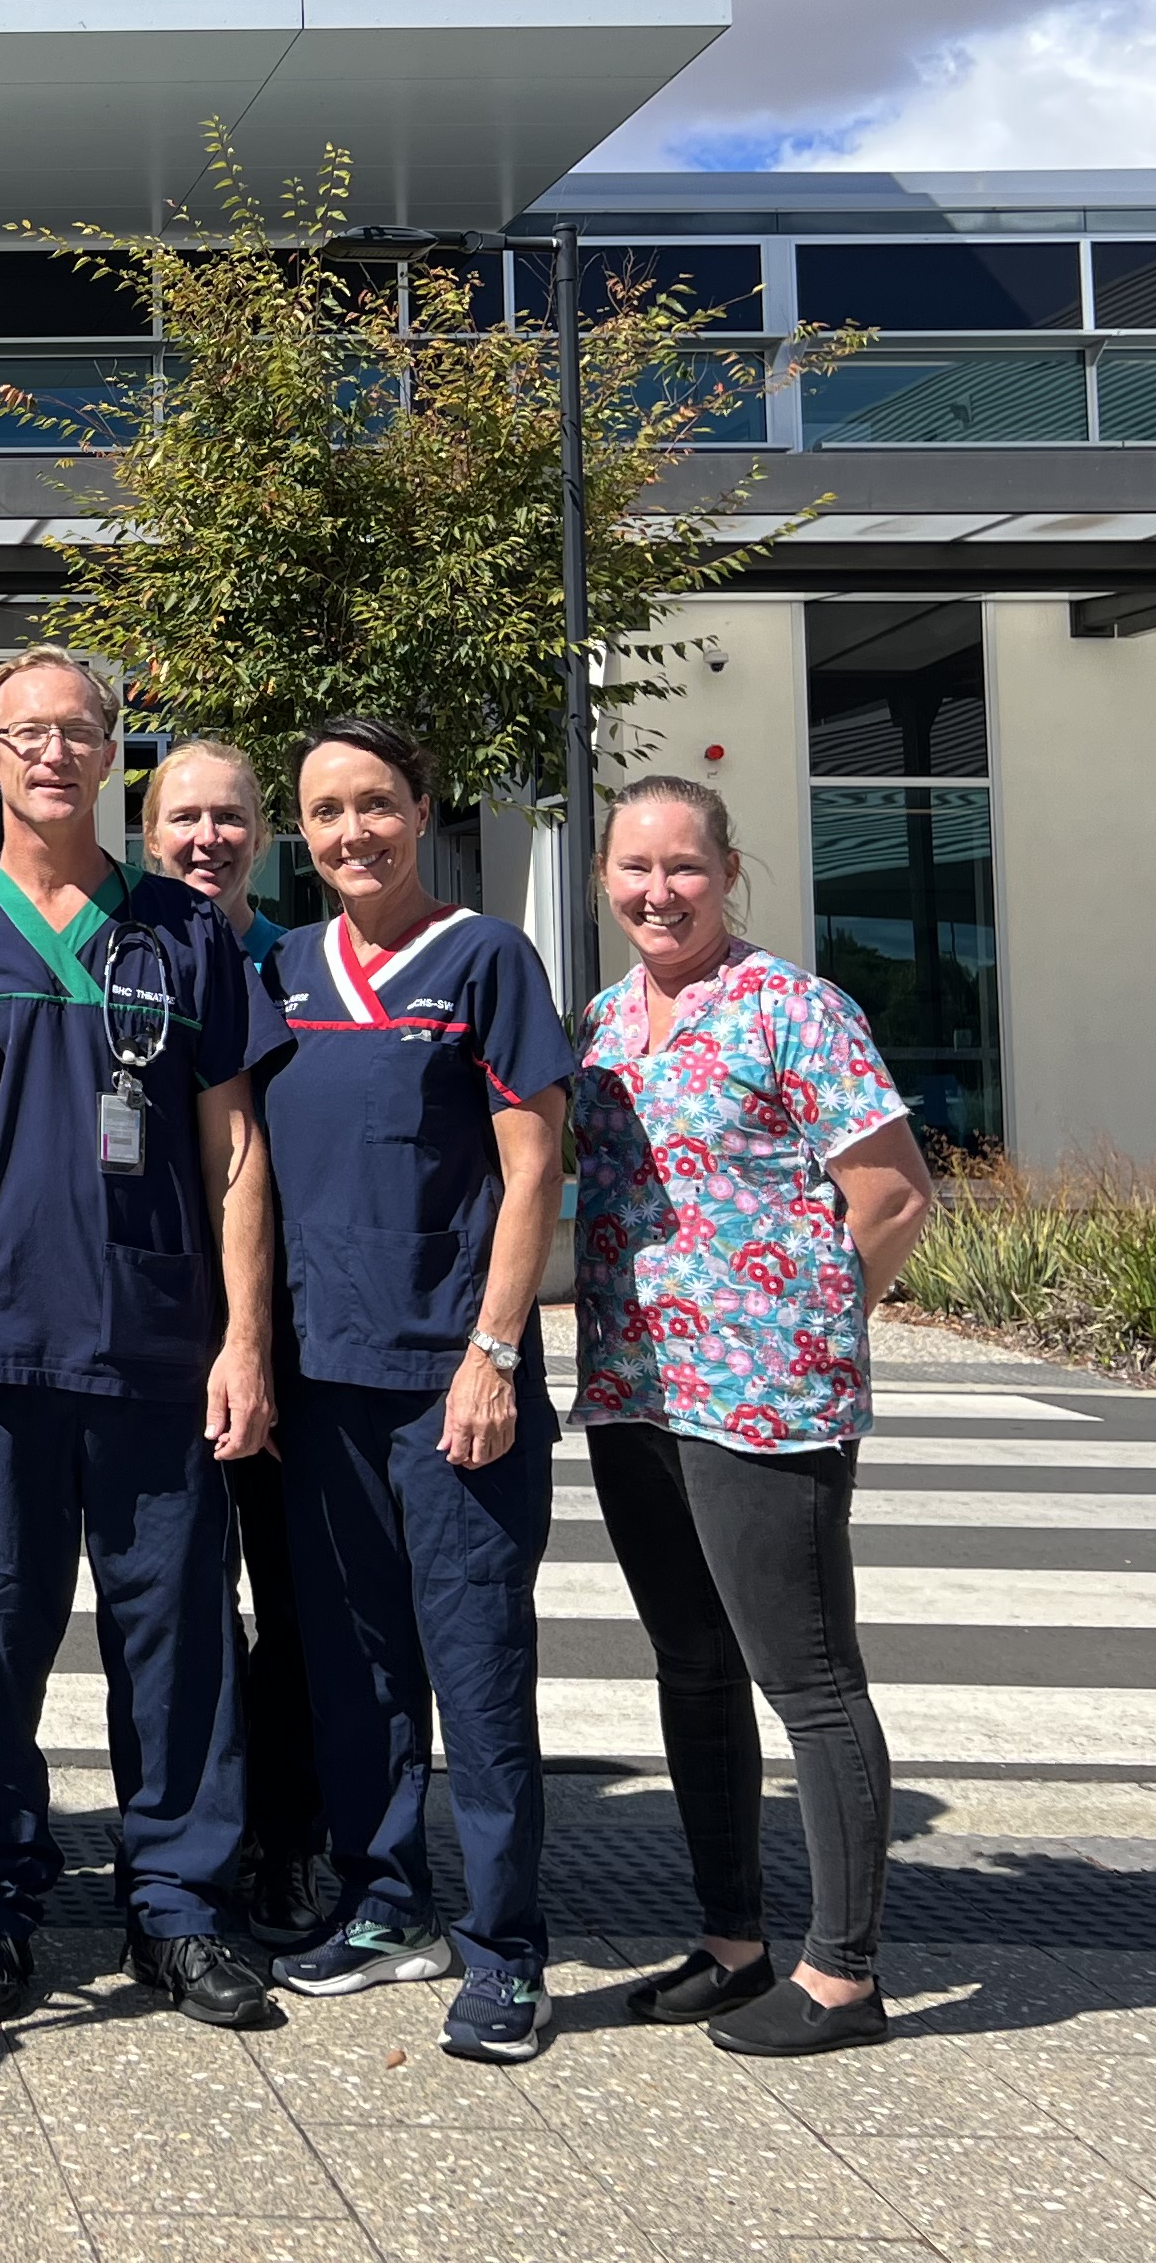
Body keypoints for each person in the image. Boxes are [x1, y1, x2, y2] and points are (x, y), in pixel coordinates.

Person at [0, 648, 280, 2029]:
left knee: (179, 1642)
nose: (52, 753)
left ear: (112, 757)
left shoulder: (183, 930)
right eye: (24, 734)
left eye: (78, 732)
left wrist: (245, 1342)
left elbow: (234, 1147)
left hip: (158, 1354)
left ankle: (179, 1909)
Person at [574, 775, 936, 2058]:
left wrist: (812, 1326)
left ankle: (844, 1972)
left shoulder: (796, 1009)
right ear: (606, 878)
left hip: (764, 1406)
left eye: (684, 866)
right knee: (691, 1665)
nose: (658, 890)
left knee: (809, 1680)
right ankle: (732, 1942)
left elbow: (891, 1193)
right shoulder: (608, 1023)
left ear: (730, 871)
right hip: (633, 1391)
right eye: (634, 868)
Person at [250, 720, 574, 2063]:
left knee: (478, 1669)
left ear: (422, 809)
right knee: (357, 1667)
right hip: (321, 1379)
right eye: (326, 812)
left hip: (452, 1384)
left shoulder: (487, 960)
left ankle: (506, 1951)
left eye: (374, 804)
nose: (350, 834)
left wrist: (492, 1353)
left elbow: (535, 1159)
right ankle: (386, 1904)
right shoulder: (287, 966)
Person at [145, 737, 339, 1951]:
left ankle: (287, 1838)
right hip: (161, 1333)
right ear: (148, 832)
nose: (207, 839)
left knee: (299, 1601)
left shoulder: (302, 967)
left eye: (230, 819)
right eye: (184, 819)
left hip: (294, 1332)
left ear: (261, 837)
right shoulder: (130, 954)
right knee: (181, 1608)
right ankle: (188, 1843)